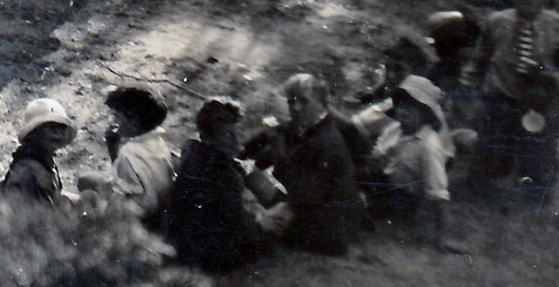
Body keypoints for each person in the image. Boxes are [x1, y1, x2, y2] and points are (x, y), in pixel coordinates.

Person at [460, 0, 559, 210]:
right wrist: (470, 94)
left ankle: (538, 191)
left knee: (538, 150)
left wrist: (553, 78)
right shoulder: (496, 23)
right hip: (499, 97)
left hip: (537, 103)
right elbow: (479, 61)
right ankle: (483, 185)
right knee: (492, 144)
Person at [250, 74, 367, 255]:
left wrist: (278, 154)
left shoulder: (325, 140)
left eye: (304, 101)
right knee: (252, 180)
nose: (296, 108)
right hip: (317, 206)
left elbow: (302, 195)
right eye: (291, 102)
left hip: (326, 225)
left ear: (321, 103)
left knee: (255, 221)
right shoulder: (313, 125)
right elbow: (281, 133)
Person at [163, 98, 267, 273]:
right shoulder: (226, 175)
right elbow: (237, 227)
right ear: (206, 136)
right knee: (280, 214)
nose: (236, 141)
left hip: (184, 246)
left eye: (236, 133)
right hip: (214, 256)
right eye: (227, 134)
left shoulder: (191, 153)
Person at [361, 75, 461, 251]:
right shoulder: (395, 129)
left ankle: (372, 212)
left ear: (426, 114)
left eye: (413, 107)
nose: (404, 111)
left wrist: (442, 237)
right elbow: (377, 154)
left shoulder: (429, 145)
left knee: (369, 206)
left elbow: (438, 193)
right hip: (382, 180)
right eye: (401, 105)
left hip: (405, 194)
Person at [100, 87, 176, 220]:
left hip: (139, 220)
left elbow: (125, 198)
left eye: (116, 117)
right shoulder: (158, 142)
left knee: (87, 186)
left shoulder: (128, 153)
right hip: (161, 210)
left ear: (133, 123)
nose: (113, 123)